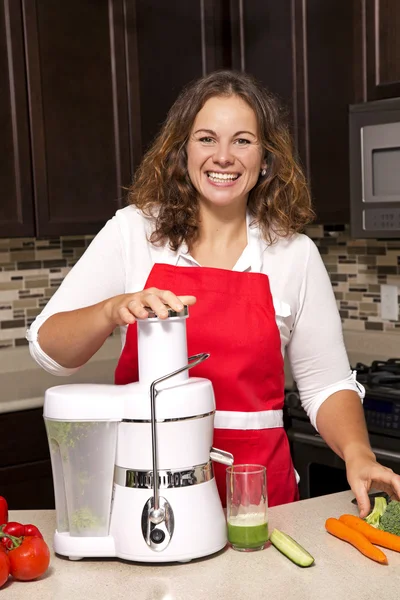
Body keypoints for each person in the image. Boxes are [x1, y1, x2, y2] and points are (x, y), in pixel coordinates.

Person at [27, 70, 400, 515]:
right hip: (150, 493)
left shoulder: (294, 255)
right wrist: (111, 310)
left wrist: (358, 452)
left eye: (242, 141)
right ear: (182, 150)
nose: (223, 156)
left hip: (259, 500)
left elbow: (325, 385)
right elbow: (49, 349)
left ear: (266, 158)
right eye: (207, 138)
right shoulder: (133, 232)